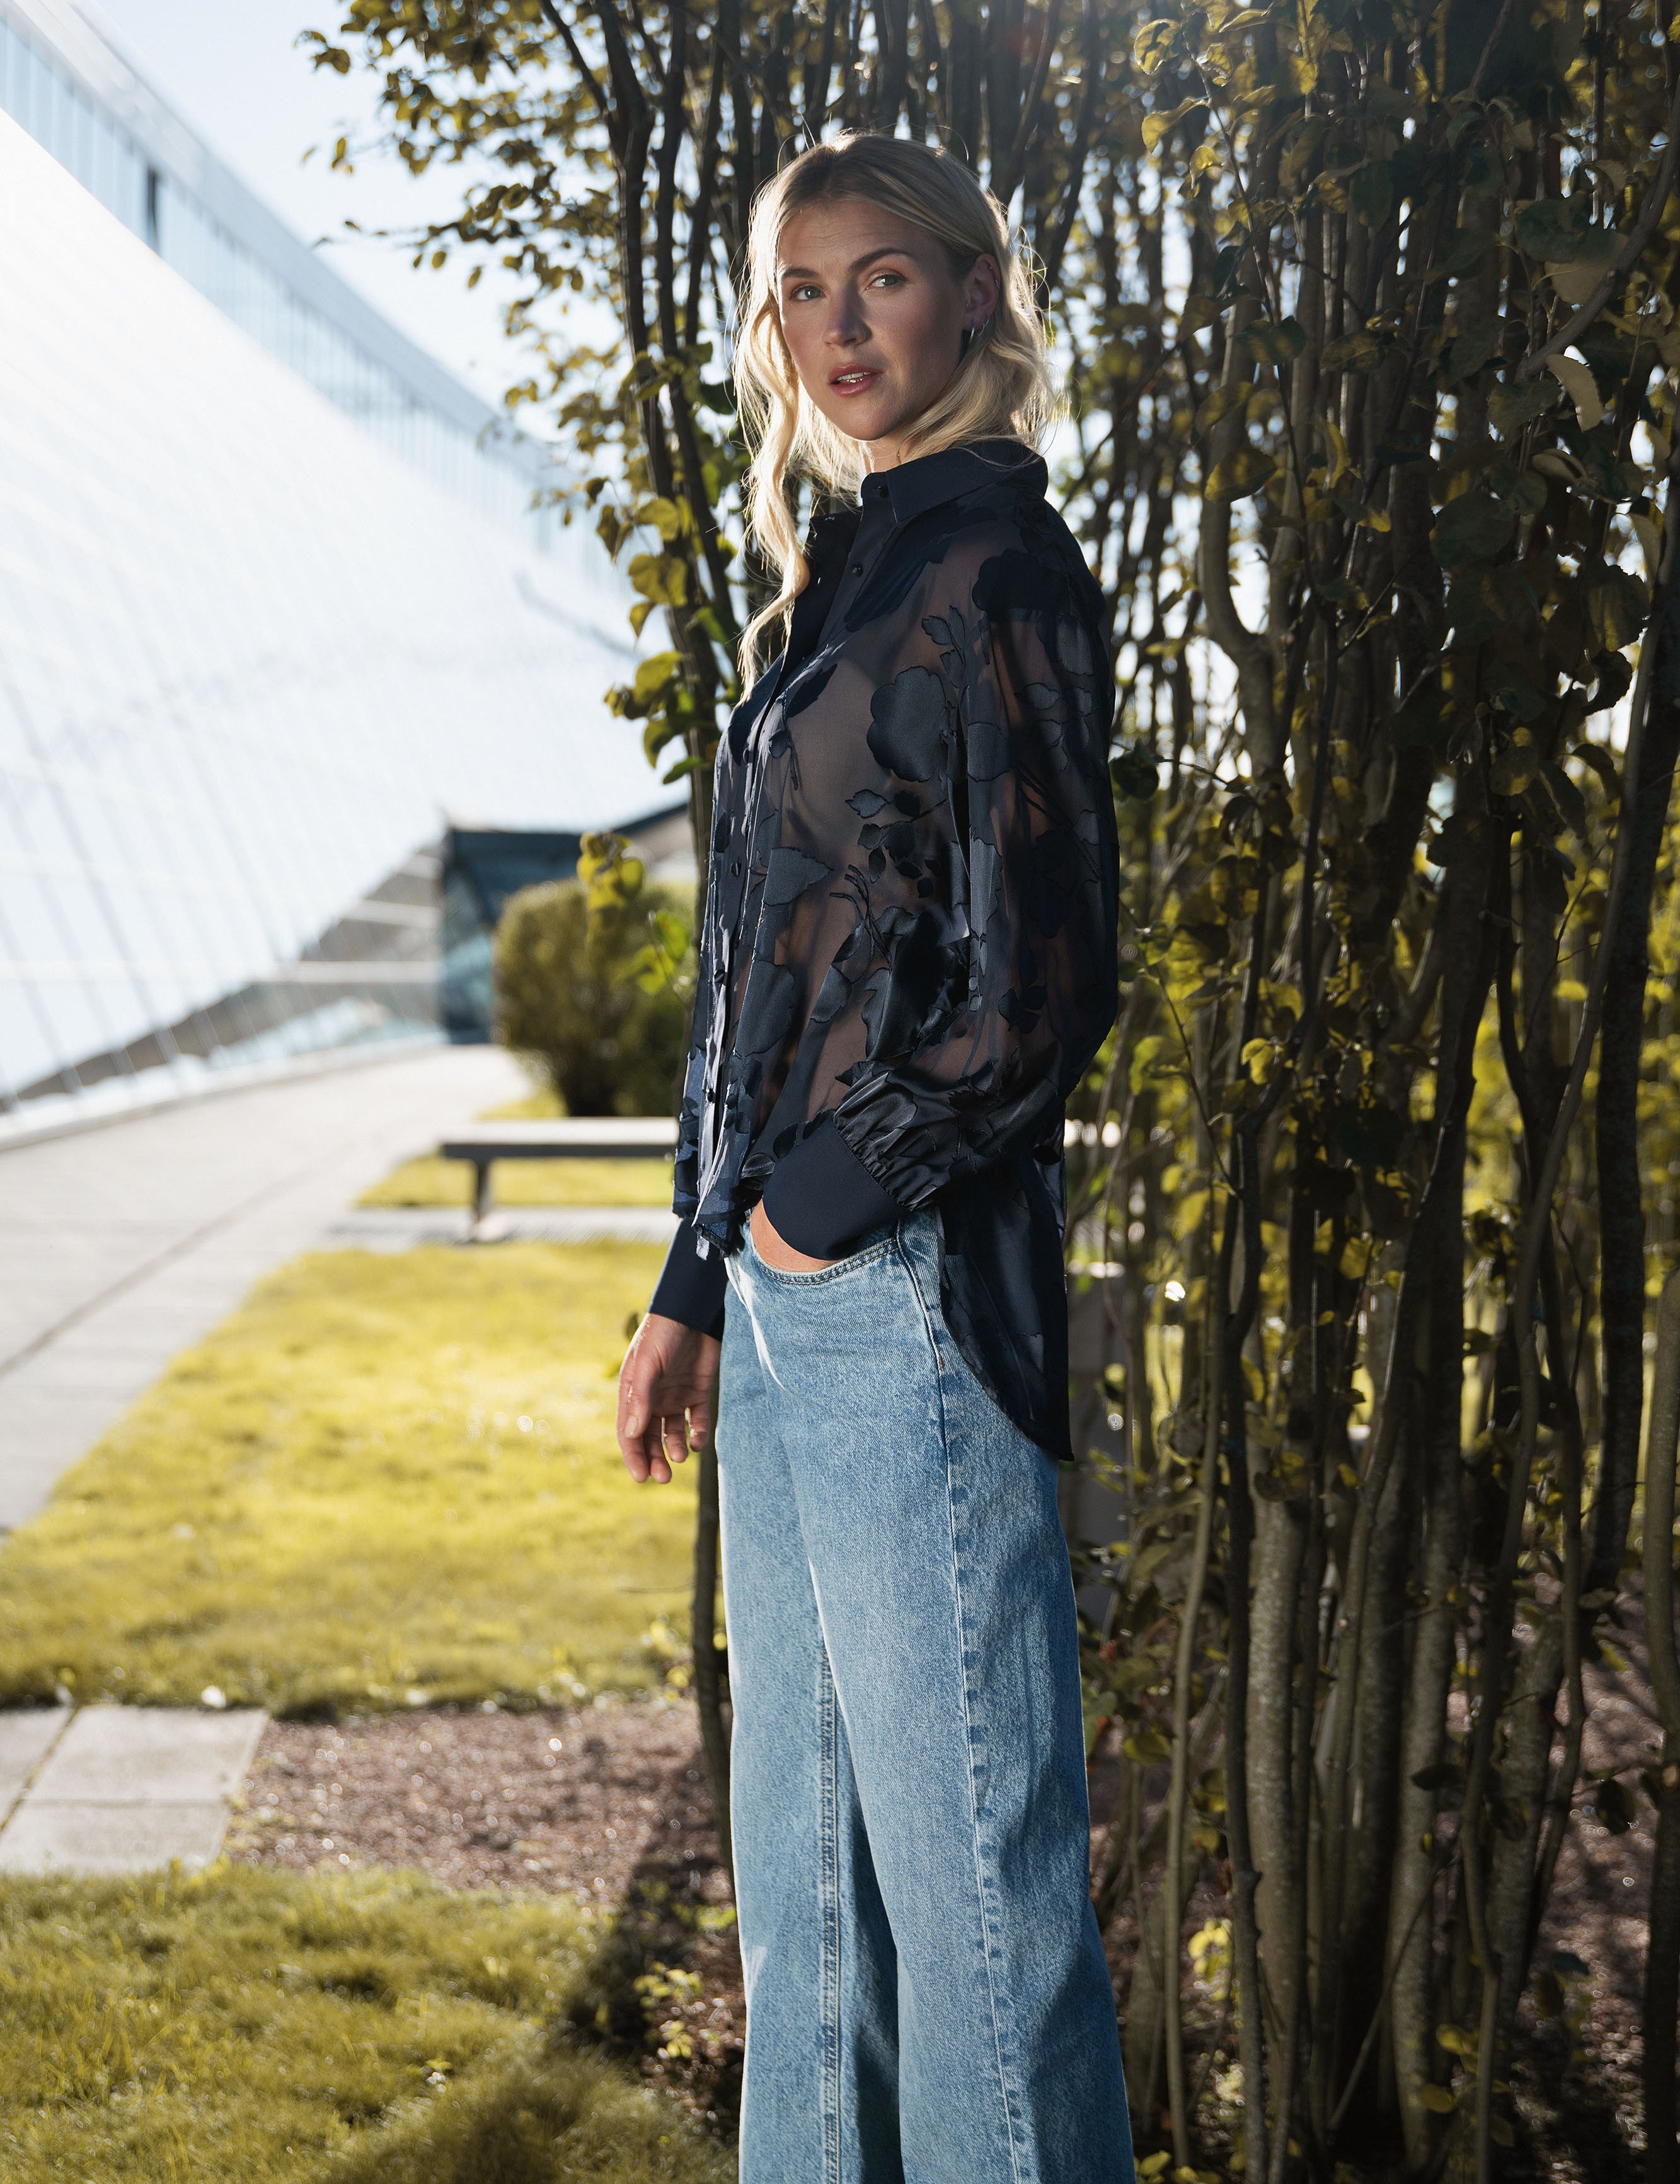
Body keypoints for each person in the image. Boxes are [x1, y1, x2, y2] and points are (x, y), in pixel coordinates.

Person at [615, 130, 1134, 2184]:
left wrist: (816, 1219)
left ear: (971, 294)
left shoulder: (997, 571)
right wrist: (698, 1273)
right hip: (779, 1311)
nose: (838, 326)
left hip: (906, 1300)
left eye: (882, 278)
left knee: (979, 1934)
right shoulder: (837, 582)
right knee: (812, 1924)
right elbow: (756, 967)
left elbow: (1044, 982)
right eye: (802, 291)